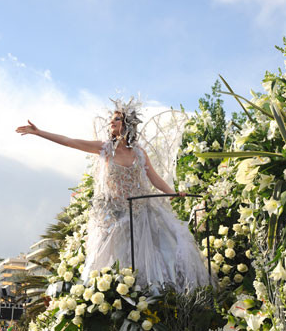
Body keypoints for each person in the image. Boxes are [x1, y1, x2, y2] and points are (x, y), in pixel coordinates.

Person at [16, 99, 212, 291]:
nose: (111, 122)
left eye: (116, 119)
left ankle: (157, 297)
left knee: (159, 255)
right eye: (112, 119)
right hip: (115, 215)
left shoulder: (139, 153)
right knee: (116, 260)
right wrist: (39, 132)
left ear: (127, 124)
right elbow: (69, 142)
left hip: (143, 213)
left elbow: (154, 178)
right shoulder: (104, 149)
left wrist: (173, 193)